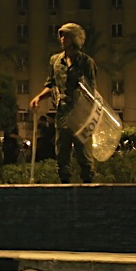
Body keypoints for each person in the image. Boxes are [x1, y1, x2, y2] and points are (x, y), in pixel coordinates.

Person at [30, 23, 98, 184]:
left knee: (84, 155)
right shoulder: (55, 61)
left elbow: (91, 91)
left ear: (74, 39)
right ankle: (64, 185)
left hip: (81, 116)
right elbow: (51, 84)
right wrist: (39, 97)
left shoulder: (86, 62)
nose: (62, 39)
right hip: (62, 113)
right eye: (61, 36)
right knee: (62, 153)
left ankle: (88, 187)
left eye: (66, 36)